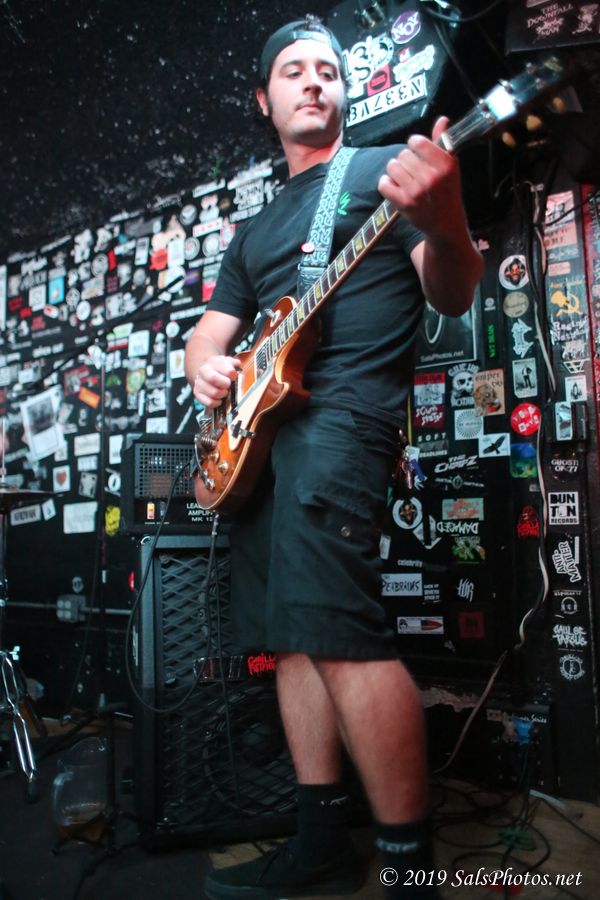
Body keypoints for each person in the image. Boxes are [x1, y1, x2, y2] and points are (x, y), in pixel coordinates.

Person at [184, 15, 482, 899]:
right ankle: (319, 840)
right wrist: (207, 368)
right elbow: (208, 335)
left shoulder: (383, 173)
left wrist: (447, 221)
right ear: (264, 99)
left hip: (344, 421)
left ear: (345, 93)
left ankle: (408, 867)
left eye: (327, 69)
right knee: (290, 644)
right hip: (260, 443)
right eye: (293, 71)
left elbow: (453, 291)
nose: (313, 80)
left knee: (341, 636)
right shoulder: (255, 232)